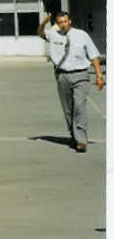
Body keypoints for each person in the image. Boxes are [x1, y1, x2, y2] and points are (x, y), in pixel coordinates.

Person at [38, 11, 105, 152]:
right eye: (60, 22)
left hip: (81, 75)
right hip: (62, 76)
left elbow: (93, 56)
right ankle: (74, 136)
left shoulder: (82, 35)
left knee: (79, 108)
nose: (63, 24)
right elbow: (40, 33)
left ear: (70, 21)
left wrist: (99, 75)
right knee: (68, 110)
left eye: (65, 21)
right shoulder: (53, 34)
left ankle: (81, 141)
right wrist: (44, 22)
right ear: (57, 23)